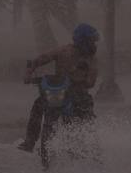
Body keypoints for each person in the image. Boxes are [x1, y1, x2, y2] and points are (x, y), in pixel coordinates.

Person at [19, 23, 99, 152]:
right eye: (91, 41)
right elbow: (41, 59)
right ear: (82, 40)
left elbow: (91, 82)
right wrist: (29, 72)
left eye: (94, 41)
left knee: (87, 116)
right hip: (58, 91)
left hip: (78, 94)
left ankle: (91, 145)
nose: (93, 44)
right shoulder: (64, 51)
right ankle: (30, 141)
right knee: (38, 106)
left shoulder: (91, 59)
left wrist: (79, 79)